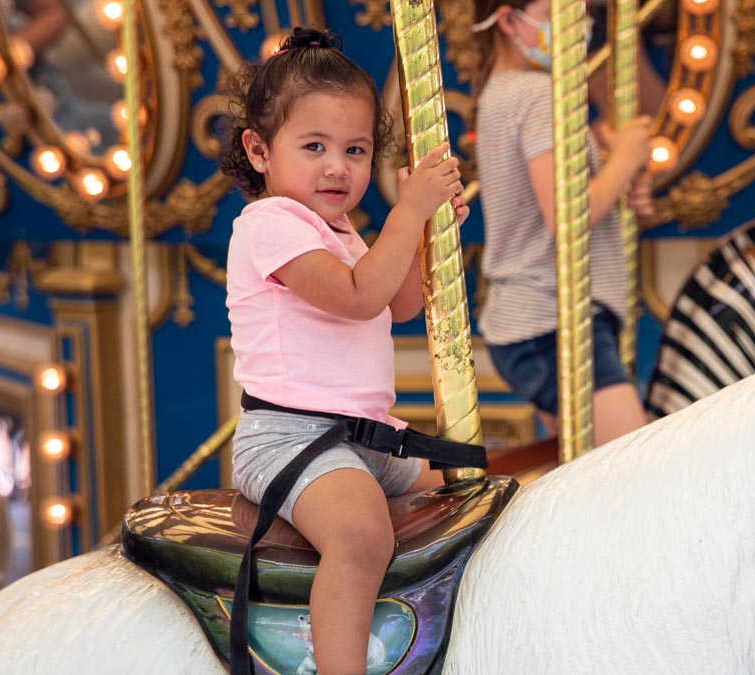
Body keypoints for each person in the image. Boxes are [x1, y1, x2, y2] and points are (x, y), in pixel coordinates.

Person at [219, 27, 469, 675]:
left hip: (365, 440)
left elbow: (402, 302)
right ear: (260, 149)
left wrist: (428, 231)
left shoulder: (340, 229)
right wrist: (407, 214)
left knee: (472, 493)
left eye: (355, 150)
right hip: (287, 440)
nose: (338, 166)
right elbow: (359, 298)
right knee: (361, 535)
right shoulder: (270, 224)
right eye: (315, 146)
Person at [469, 0, 657, 445]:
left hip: (530, 321)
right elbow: (567, 220)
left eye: (585, 16)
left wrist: (610, 163)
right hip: (552, 320)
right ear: (509, 21)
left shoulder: (499, 93)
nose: (582, 28)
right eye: (561, 16)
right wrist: (626, 158)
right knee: (637, 461)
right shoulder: (538, 95)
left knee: (580, 471)